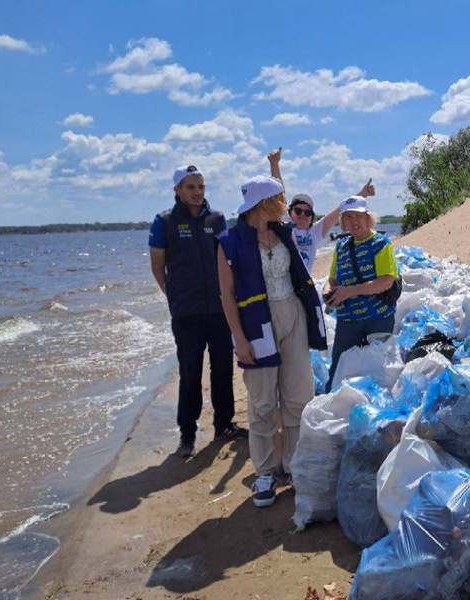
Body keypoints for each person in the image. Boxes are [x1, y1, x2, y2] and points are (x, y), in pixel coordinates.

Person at [215, 175, 328, 507]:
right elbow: (227, 295)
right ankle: (265, 472)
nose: (287, 204)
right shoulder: (229, 242)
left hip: (292, 313)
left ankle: (292, 465)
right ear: (265, 203)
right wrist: (239, 338)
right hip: (256, 323)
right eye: (281, 199)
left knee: (299, 393)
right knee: (263, 400)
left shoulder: (284, 233)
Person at [149, 165, 246, 459]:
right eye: (190, 187)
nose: (197, 192)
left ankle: (224, 424)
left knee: (222, 369)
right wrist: (173, 296)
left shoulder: (216, 219)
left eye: (201, 187)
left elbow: (228, 259)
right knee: (190, 373)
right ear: (177, 190)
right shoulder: (163, 222)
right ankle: (187, 434)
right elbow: (157, 266)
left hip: (218, 309)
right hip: (186, 313)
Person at [322, 195, 399, 392]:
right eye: (348, 217)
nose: (353, 221)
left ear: (368, 218)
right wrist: (328, 291)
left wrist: (349, 291)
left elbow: (386, 281)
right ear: (343, 222)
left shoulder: (381, 243)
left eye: (358, 216)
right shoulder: (341, 247)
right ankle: (334, 406)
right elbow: (332, 279)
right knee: (340, 367)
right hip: (348, 320)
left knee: (379, 369)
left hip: (378, 317)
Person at [266, 146, 375, 273]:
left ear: (312, 217)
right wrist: (274, 164)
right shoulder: (286, 226)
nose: (302, 214)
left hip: (303, 285)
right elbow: (279, 196)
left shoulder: (315, 232)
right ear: (290, 212)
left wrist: (363, 194)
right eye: (298, 211)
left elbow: (341, 209)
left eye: (307, 212)